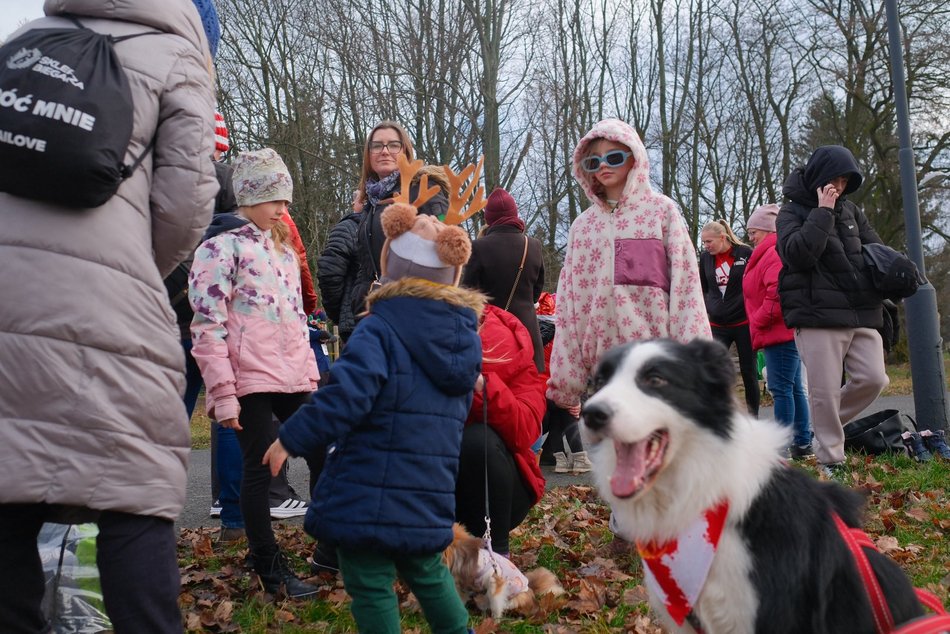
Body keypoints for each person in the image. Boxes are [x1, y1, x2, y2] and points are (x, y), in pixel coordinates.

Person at [0, 0, 218, 631]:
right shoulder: (177, 57)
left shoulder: (26, 38)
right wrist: (131, 271)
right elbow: (184, 204)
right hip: (107, 308)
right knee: (132, 498)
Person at [264, 201, 483, 634]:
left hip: (367, 487)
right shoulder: (463, 339)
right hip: (429, 491)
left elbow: (346, 394)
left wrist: (293, 436)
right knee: (428, 571)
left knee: (369, 580)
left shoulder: (380, 328)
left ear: (389, 265)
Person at [188, 148, 320, 597]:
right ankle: (268, 564)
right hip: (247, 381)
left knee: (325, 444)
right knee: (260, 466)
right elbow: (207, 326)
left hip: (290, 377)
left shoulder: (281, 249)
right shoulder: (217, 249)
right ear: (247, 196)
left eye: (286, 199)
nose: (283, 209)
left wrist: (309, 374)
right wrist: (222, 395)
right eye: (273, 200)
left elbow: (296, 319)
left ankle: (330, 542)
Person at [546, 118, 711, 413]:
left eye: (613, 157)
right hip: (603, 364)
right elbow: (569, 305)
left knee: (658, 450)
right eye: (593, 161)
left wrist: (696, 364)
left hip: (656, 360)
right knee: (614, 450)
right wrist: (565, 381)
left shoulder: (661, 212)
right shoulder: (582, 227)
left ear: (634, 158)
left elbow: (686, 289)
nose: (603, 166)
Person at [776, 145, 889, 476]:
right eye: (833, 179)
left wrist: (899, 272)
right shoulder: (791, 212)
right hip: (817, 314)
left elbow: (877, 250)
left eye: (844, 180)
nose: (838, 187)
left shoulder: (853, 211)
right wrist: (822, 211)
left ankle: (822, 427)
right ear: (817, 177)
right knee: (822, 390)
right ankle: (831, 461)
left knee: (873, 378)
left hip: (861, 310)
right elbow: (797, 256)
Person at [455, 304, 547, 556]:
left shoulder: (515, 358)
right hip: (431, 486)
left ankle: (498, 557)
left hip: (501, 489)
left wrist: (480, 386)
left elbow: (524, 431)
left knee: (477, 440)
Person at [349, 121, 449, 324]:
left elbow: (449, 250)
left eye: (393, 145)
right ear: (369, 154)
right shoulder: (371, 204)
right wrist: (361, 295)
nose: (384, 151)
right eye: (377, 146)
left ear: (405, 150)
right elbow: (366, 264)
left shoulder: (423, 191)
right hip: (375, 314)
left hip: (416, 314)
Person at [741, 204, 813, 456]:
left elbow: (776, 292)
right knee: (793, 388)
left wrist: (759, 320)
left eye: (754, 231)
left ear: (767, 229)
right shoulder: (768, 251)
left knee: (781, 389)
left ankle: (781, 447)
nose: (750, 237)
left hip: (777, 331)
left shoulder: (771, 252)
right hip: (778, 331)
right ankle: (802, 442)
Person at [462, 188, 546, 372]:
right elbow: (535, 295)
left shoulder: (477, 247)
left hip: (493, 332)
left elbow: (466, 293)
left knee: (498, 390)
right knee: (530, 387)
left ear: (488, 218)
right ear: (514, 214)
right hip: (527, 328)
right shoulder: (533, 246)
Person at [699, 220, 759, 416]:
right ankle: (721, 413)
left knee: (749, 371)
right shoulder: (706, 258)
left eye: (709, 241)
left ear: (722, 238)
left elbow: (755, 283)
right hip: (717, 324)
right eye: (704, 242)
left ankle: (753, 416)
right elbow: (703, 288)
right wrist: (709, 308)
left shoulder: (745, 253)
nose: (706, 246)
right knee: (713, 370)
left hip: (743, 322)